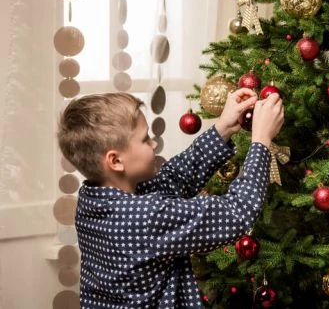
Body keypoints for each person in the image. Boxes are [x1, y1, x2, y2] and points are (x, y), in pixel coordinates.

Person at [57, 89, 284, 308]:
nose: (154, 143)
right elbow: (236, 212)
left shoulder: (92, 200)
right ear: (115, 161)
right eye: (145, 139)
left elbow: (173, 179)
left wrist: (223, 128)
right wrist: (261, 141)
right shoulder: (145, 218)